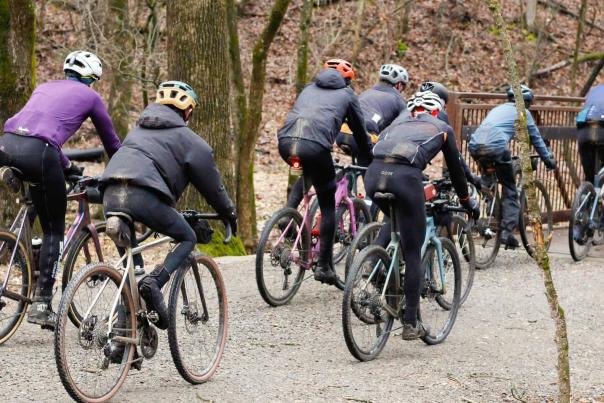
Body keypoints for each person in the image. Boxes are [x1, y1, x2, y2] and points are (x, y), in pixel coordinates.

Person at [100, 81, 237, 330]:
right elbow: (213, 187)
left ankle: (122, 342)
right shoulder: (190, 141)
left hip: (109, 195)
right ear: (187, 112)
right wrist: (228, 213)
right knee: (187, 235)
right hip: (144, 197)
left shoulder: (137, 130)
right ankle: (156, 282)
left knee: (132, 271)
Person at [0, 50, 122, 329]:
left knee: (34, 200)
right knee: (55, 229)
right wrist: (127, 168)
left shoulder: (44, 87)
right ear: (92, 78)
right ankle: (42, 304)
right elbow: (113, 145)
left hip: (7, 144)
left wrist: (68, 168)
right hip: (40, 152)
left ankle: (23, 245)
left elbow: (40, 131)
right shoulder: (90, 97)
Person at [365, 90, 479, 340]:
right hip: (405, 179)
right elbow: (457, 171)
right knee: (413, 250)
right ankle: (410, 323)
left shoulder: (396, 123)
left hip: (373, 177)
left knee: (393, 218)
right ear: (436, 111)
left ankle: (376, 265)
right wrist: (466, 201)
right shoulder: (440, 127)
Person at [278, 59, 372, 285]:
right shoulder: (347, 95)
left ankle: (287, 219)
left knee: (308, 173)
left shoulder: (309, 88)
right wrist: (369, 157)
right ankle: (323, 267)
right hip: (315, 146)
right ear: (347, 80)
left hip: (286, 142)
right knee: (328, 205)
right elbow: (359, 131)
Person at [468, 84, 556, 248]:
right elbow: (536, 139)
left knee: (488, 181)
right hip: (497, 149)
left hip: (475, 146)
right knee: (510, 189)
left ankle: (489, 207)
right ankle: (506, 233)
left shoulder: (497, 109)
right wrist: (549, 161)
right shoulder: (524, 112)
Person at [336, 63, 409, 155]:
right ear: (399, 85)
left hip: (341, 134)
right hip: (363, 138)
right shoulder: (398, 100)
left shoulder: (367, 92)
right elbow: (403, 128)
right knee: (377, 164)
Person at [576, 83, 604, 183]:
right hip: (601, 128)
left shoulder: (595, 89)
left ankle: (587, 192)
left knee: (590, 172)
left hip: (584, 126)